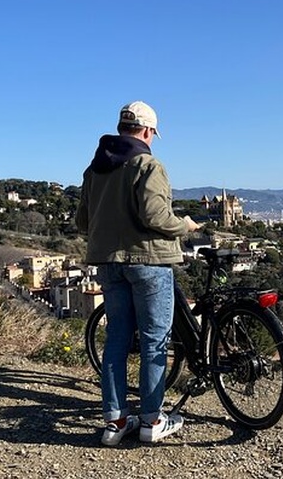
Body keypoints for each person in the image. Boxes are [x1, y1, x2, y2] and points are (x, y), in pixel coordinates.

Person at [76, 100, 201, 446]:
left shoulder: (94, 170)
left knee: (117, 339)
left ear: (121, 128)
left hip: (108, 263)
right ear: (147, 131)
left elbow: (81, 222)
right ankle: (151, 420)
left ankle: (115, 423)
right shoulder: (148, 164)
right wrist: (185, 226)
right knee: (154, 341)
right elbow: (156, 217)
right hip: (148, 262)